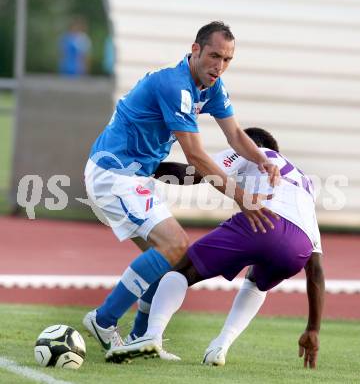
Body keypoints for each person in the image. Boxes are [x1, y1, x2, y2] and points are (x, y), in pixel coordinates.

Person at [82, 22, 280, 361]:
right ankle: (103, 320)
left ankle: (141, 338)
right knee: (175, 244)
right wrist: (241, 198)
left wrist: (263, 160)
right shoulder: (175, 86)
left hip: (133, 178)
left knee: (173, 259)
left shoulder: (211, 87)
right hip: (113, 174)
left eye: (228, 59)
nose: (220, 66)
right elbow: (196, 156)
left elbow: (235, 136)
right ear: (195, 50)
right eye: (214, 55)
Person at [116, 128, 325, 369]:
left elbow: (192, 174)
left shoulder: (252, 151)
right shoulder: (305, 184)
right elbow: (316, 270)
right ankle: (220, 347)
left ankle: (151, 336)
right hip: (300, 245)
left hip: (263, 218)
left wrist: (144, 165)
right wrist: (313, 328)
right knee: (256, 281)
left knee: (181, 270)